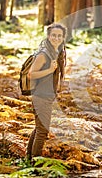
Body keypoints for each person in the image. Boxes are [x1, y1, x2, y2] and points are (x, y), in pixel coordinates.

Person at [26, 23, 66, 159]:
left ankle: (28, 159)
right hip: (40, 96)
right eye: (53, 35)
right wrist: (49, 70)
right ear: (48, 36)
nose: (56, 38)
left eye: (59, 36)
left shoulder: (57, 53)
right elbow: (31, 74)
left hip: (48, 95)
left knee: (39, 128)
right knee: (42, 131)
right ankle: (34, 163)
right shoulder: (43, 54)